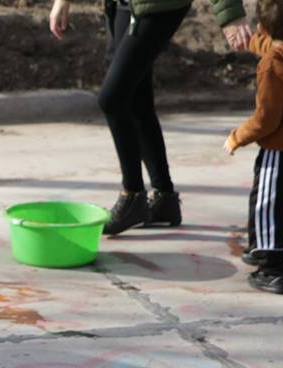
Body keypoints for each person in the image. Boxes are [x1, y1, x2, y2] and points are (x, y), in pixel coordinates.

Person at [50, 0, 252, 235]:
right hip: (123, 5)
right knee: (136, 96)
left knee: (112, 98)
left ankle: (133, 195)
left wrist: (230, 13)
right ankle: (164, 198)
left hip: (159, 6)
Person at [224, 0, 283, 294]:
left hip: (279, 148)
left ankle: (273, 268)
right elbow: (278, 49)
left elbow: (266, 120)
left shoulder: (273, 67)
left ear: (262, 25)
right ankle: (263, 245)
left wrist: (237, 137)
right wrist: (252, 42)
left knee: (265, 205)